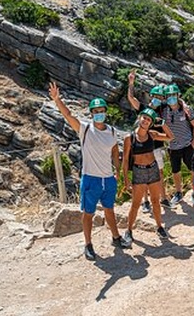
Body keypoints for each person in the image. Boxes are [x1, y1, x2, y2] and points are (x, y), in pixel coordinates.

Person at [49, 82, 130, 260]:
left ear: (105, 112)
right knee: (88, 213)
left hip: (108, 178)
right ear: (91, 113)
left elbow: (115, 151)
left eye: (102, 110)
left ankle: (116, 238)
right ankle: (88, 244)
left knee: (110, 209)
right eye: (96, 111)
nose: (99, 114)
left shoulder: (112, 131)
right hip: (91, 178)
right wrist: (57, 99)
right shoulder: (85, 129)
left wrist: (117, 170)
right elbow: (68, 115)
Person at [122, 109, 174, 242]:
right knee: (136, 203)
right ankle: (129, 230)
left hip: (152, 169)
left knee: (155, 201)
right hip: (138, 171)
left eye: (149, 120)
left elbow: (170, 137)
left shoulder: (152, 134)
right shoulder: (130, 138)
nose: (146, 121)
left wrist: (162, 123)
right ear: (139, 118)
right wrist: (126, 180)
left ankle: (159, 226)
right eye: (144, 118)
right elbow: (126, 160)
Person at [126, 74, 171, 212]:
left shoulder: (163, 112)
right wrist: (131, 83)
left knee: (160, 173)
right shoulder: (144, 109)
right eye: (156, 96)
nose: (158, 99)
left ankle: (163, 198)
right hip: (142, 147)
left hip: (156, 146)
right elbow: (131, 99)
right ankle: (146, 201)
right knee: (143, 175)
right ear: (151, 96)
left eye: (160, 97)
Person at [161, 84, 194, 207]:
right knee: (175, 171)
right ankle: (178, 193)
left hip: (188, 144)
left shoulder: (186, 110)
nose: (171, 98)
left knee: (193, 169)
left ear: (178, 95)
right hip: (173, 146)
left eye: (174, 95)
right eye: (169, 95)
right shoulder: (164, 111)